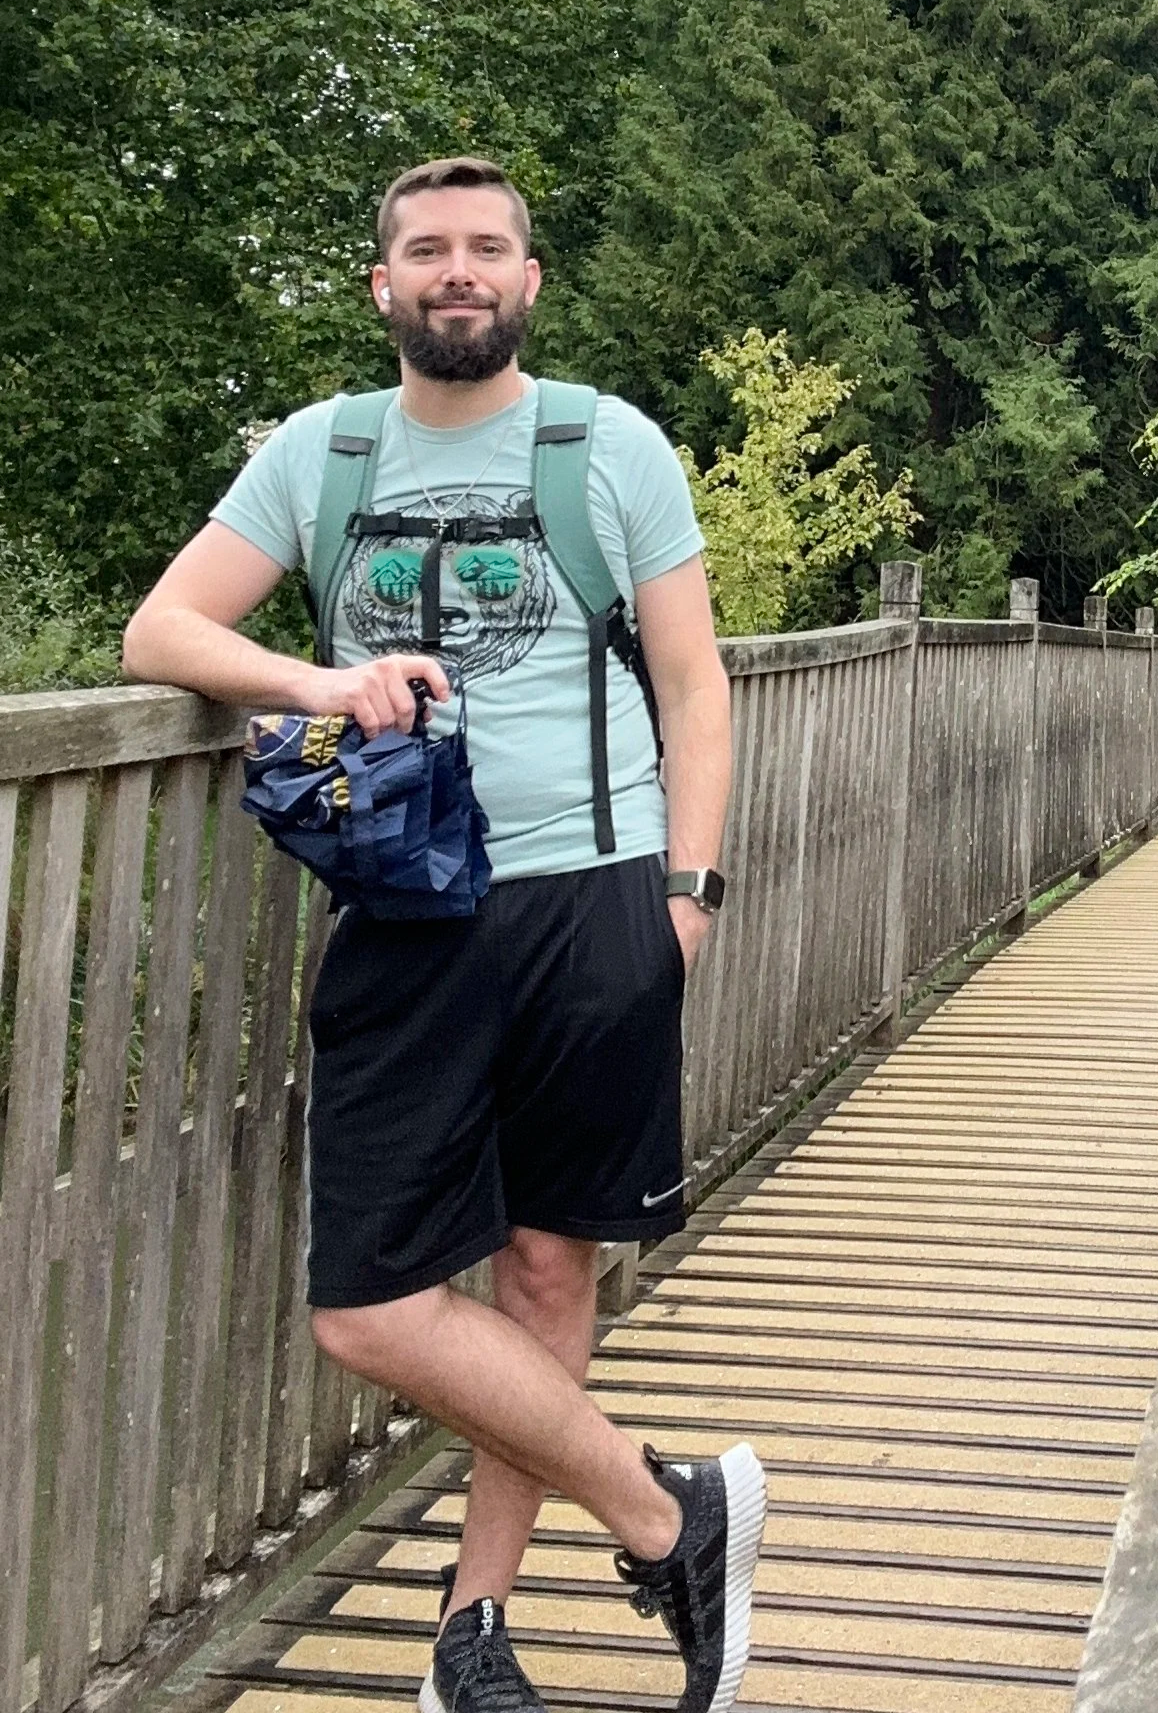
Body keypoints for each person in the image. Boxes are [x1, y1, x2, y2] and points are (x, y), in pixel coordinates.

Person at [123, 156, 764, 1713]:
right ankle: (673, 1516)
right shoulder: (322, 450)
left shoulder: (609, 443)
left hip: (598, 897)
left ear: (528, 280)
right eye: (427, 250)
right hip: (408, 904)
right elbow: (162, 629)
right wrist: (322, 682)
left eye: (486, 248)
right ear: (384, 285)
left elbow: (694, 684)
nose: (457, 270)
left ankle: (469, 1639)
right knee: (370, 1303)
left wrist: (687, 896)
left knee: (549, 1270)